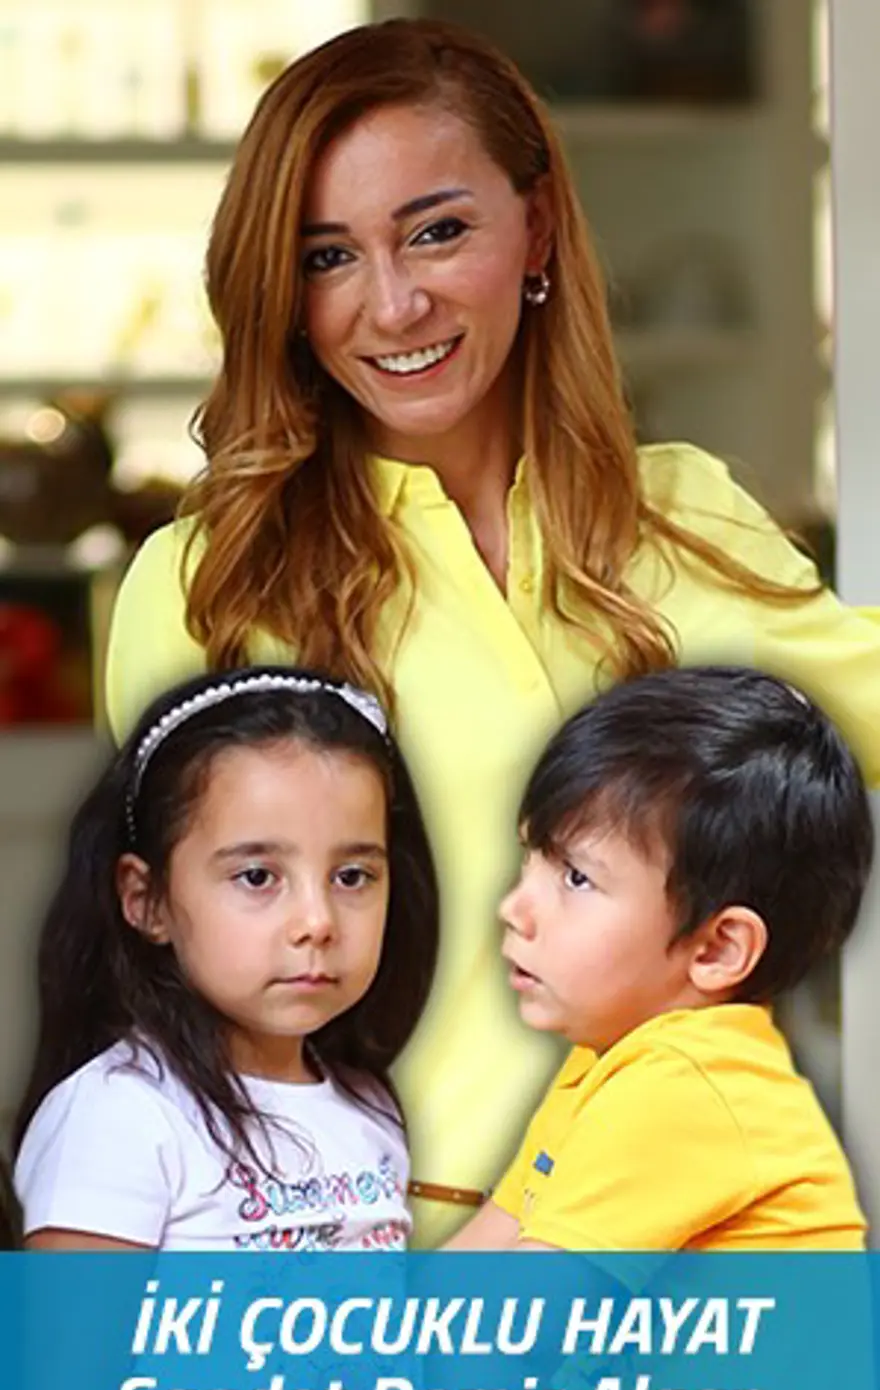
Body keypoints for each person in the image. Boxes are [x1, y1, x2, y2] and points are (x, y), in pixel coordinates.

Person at [102, 17, 880, 1243]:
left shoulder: (684, 517)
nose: (392, 302)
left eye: (437, 230)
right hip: (349, 1263)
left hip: (680, 1259)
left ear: (537, 228)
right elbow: (183, 992)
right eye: (327, 256)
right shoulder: (208, 584)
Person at [13, 667, 438, 1251]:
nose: (317, 922)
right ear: (146, 899)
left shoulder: (369, 1106)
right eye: (258, 877)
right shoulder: (117, 1116)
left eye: (352, 876)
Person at [447, 666, 871, 1251]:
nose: (515, 908)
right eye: (531, 859)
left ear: (718, 949)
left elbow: (518, 1307)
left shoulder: (687, 1082)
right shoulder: (609, 1060)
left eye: (576, 878)